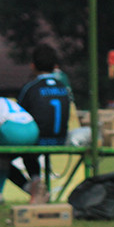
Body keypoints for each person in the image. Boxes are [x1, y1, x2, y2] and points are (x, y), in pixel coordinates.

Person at [10, 44, 72, 201]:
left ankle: (33, 186)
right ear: (55, 67)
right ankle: (38, 186)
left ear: (32, 66)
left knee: (0, 158)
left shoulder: (31, 88)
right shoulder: (64, 88)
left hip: (37, 142)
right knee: (30, 149)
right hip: (60, 140)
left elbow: (18, 116)